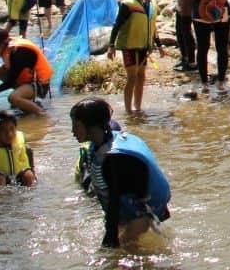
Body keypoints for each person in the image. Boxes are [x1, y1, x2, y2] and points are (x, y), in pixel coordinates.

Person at [70, 97, 171, 249]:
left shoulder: (113, 160)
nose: (72, 131)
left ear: (92, 126)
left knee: (117, 253)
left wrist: (109, 242)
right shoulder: (102, 142)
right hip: (131, 212)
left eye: (76, 126)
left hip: (141, 216)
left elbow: (114, 202)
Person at [107, 0, 167, 114]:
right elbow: (117, 25)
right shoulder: (127, 5)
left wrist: (159, 46)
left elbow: (152, 28)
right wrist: (111, 45)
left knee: (141, 76)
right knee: (132, 77)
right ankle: (128, 110)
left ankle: (138, 107)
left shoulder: (151, 4)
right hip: (130, 46)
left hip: (143, 46)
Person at [0, 27, 54, 116]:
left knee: (13, 98)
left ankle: (42, 114)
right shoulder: (8, 47)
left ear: (2, 44)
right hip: (26, 81)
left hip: (40, 85)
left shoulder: (19, 52)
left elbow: (9, 83)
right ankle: (25, 103)